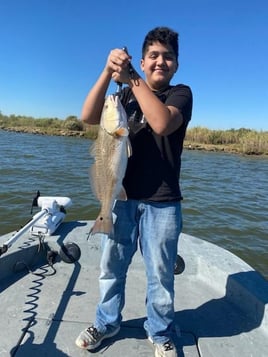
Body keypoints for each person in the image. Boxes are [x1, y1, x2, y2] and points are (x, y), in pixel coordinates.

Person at [75, 26, 193, 357]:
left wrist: (131, 78)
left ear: (176, 64)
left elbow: (161, 123)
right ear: (142, 60)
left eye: (167, 57)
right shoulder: (123, 98)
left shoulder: (180, 94)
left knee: (160, 274)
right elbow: (87, 117)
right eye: (153, 56)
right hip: (121, 200)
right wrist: (108, 71)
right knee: (111, 268)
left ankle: (160, 332)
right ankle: (107, 321)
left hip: (163, 203)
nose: (160, 62)